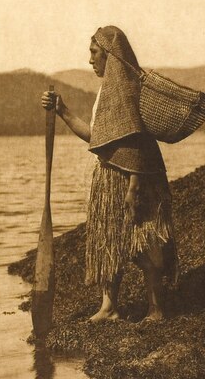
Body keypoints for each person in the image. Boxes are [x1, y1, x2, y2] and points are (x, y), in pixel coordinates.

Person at [41, 25, 178, 322]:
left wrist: (133, 187)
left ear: (111, 56)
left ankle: (155, 309)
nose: (90, 60)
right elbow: (96, 137)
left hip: (136, 178)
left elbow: (138, 142)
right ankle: (109, 307)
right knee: (109, 242)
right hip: (108, 176)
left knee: (144, 240)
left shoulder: (129, 92)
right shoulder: (106, 93)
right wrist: (62, 110)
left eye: (94, 53)